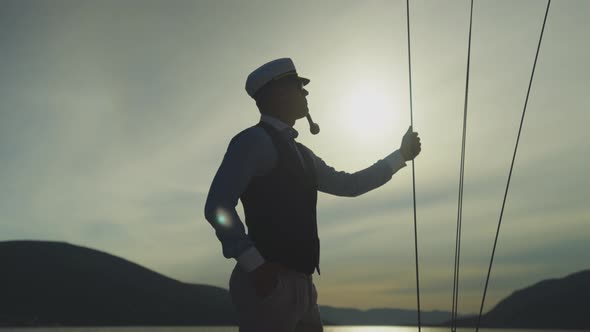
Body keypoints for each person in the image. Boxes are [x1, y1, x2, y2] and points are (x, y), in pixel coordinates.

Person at [204, 58, 421, 332]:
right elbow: (217, 206)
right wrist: (254, 265)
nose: (305, 93)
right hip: (268, 285)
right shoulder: (252, 142)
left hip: (303, 287)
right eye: (298, 87)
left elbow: (349, 185)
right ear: (277, 94)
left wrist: (400, 156)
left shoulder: (303, 155)